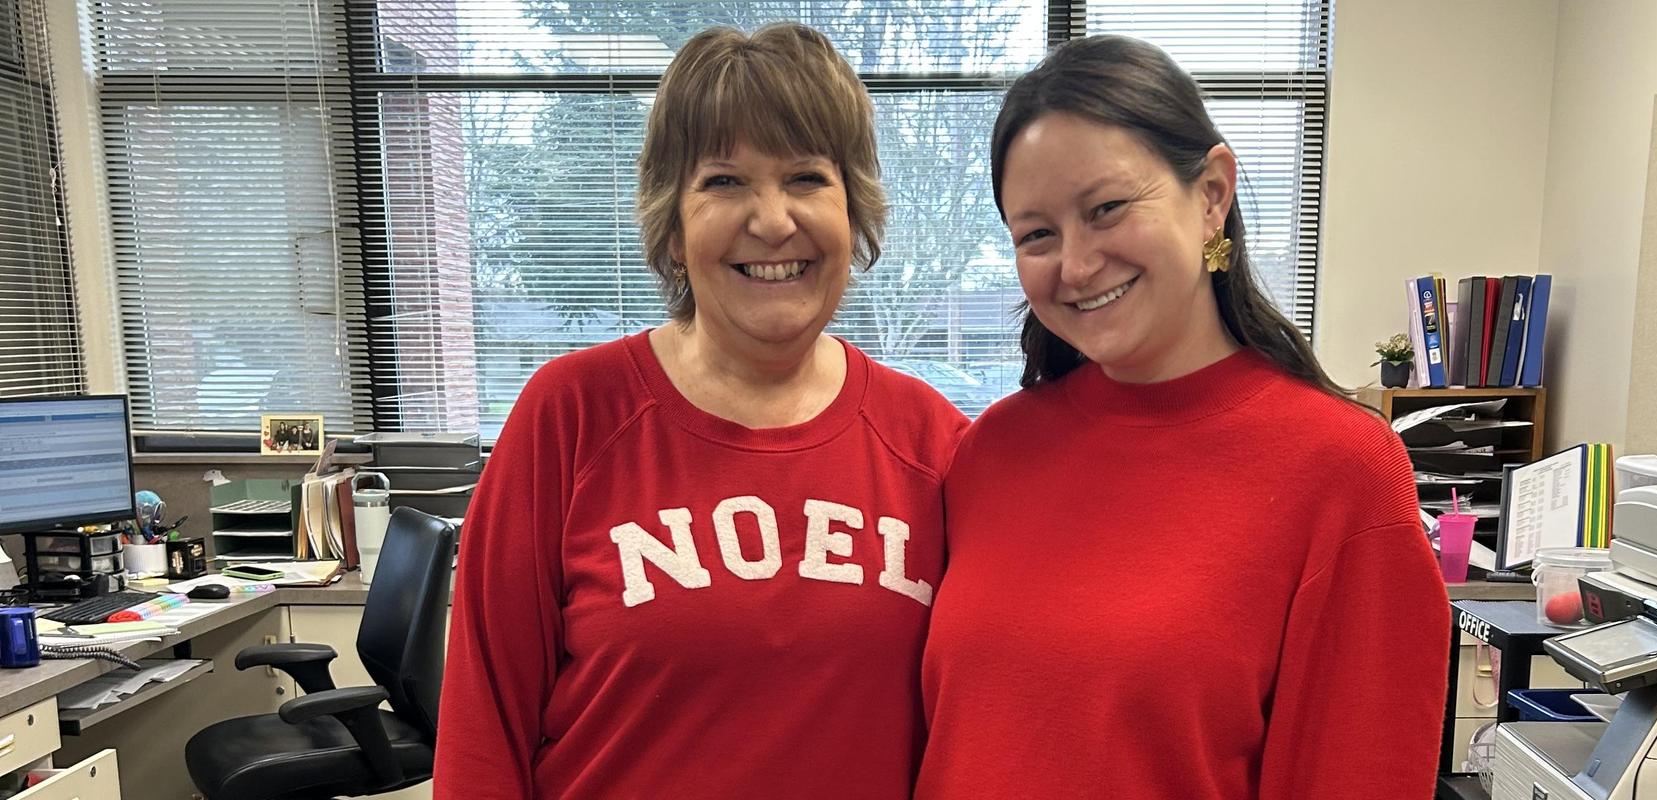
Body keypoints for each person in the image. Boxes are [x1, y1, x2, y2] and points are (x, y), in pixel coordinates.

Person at [433, 23, 968, 799]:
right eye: (724, 181)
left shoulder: (933, 443)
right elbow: (483, 728)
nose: (773, 220)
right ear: (675, 228)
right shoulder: (570, 415)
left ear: (853, 214)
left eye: (808, 178)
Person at [916, 35, 1451, 799]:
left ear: (1211, 196)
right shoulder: (990, 452)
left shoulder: (1343, 471)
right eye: (1037, 233)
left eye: (1106, 209)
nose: (1074, 264)